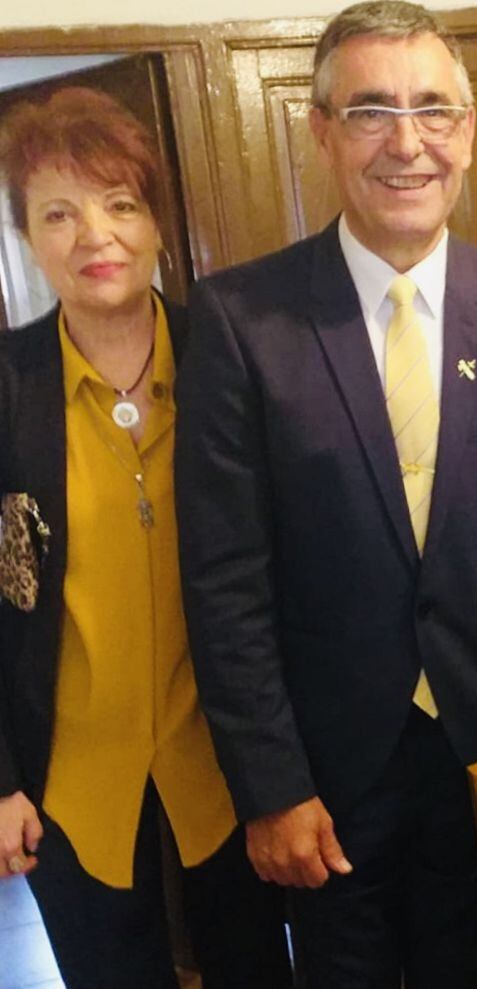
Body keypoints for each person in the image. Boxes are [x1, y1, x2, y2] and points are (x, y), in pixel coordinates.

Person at [173, 3, 477, 986]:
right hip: (325, 781)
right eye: (373, 109)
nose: (407, 141)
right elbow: (225, 583)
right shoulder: (242, 321)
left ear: (466, 131)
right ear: (323, 129)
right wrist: (271, 787)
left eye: (432, 109)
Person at [0, 88, 291, 989]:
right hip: (70, 782)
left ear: (160, 221)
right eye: (59, 213)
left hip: (231, 766)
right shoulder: (9, 388)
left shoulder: (234, 360)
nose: (95, 235)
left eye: (120, 203)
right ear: (27, 238)